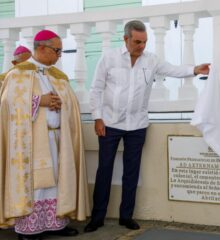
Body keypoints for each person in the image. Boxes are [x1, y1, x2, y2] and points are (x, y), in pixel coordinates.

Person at [85, 20, 209, 232]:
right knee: (104, 170)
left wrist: (195, 69)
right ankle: (97, 218)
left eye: (144, 42)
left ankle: (126, 216)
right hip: (109, 123)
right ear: (126, 39)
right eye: (137, 42)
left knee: (132, 172)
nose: (142, 46)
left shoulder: (151, 60)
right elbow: (96, 89)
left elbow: (173, 70)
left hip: (137, 125)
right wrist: (97, 118)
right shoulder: (109, 58)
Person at [0, 30, 89, 240]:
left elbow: (70, 105)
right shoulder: (17, 74)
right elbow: (7, 105)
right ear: (41, 48)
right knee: (36, 183)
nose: (59, 55)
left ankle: (55, 223)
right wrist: (39, 102)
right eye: (57, 50)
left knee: (58, 181)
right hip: (30, 143)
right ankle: (30, 229)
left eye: (60, 51)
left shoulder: (55, 76)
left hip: (58, 139)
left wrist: (61, 103)